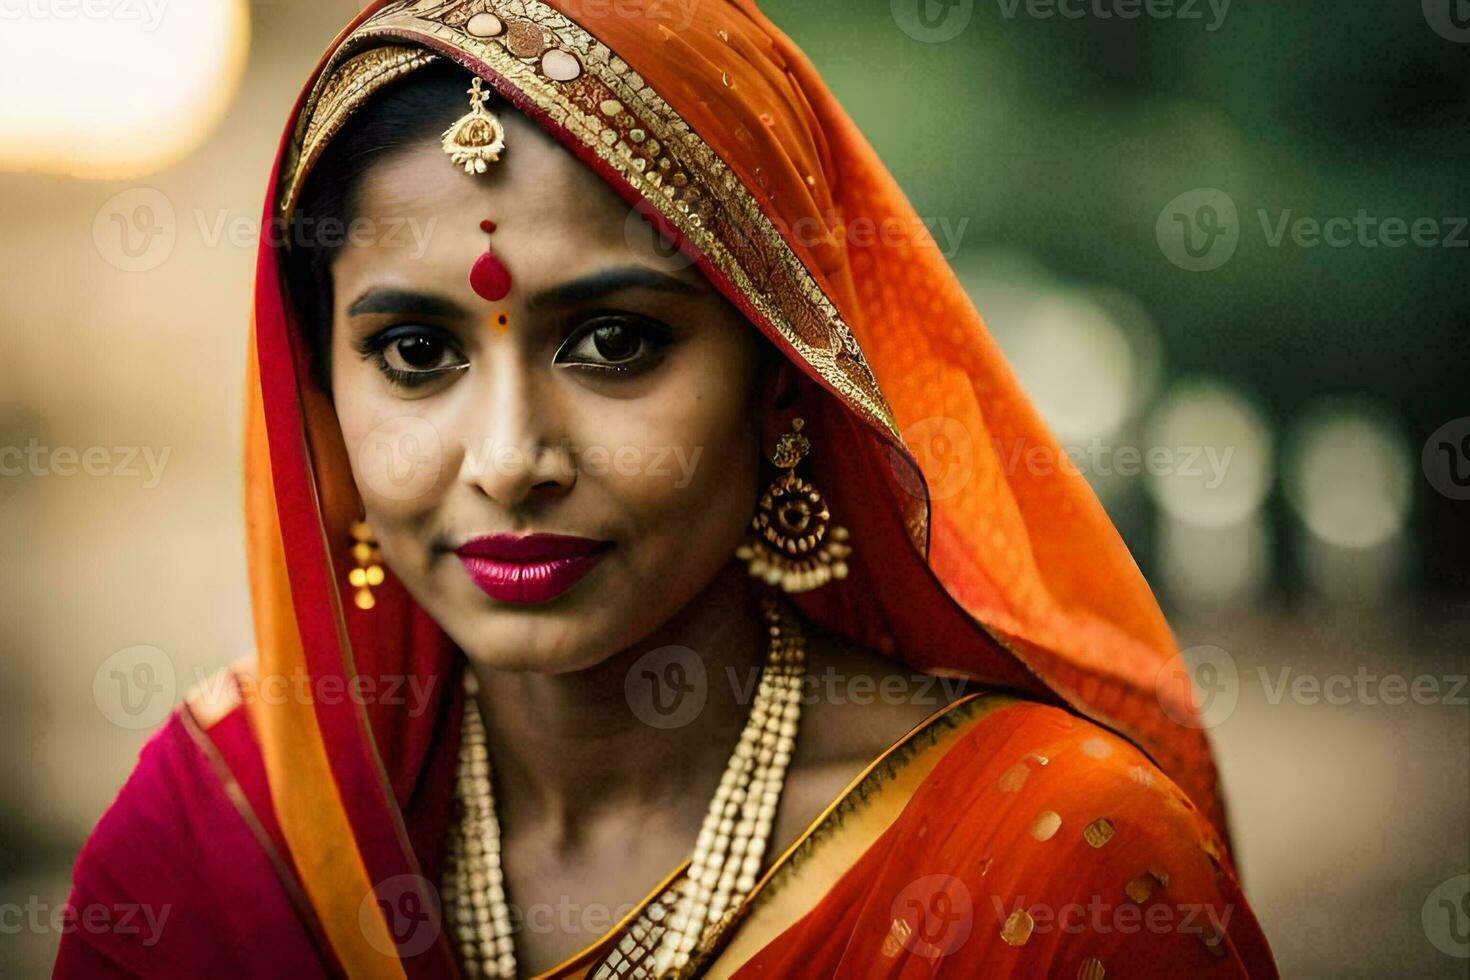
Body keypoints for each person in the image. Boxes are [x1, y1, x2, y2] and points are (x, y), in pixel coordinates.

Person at [55, 1, 1277, 976]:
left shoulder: (1056, 867)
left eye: (614, 342)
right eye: (417, 354)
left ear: (784, 384)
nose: (509, 455)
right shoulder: (224, 844)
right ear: (319, 401)